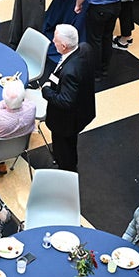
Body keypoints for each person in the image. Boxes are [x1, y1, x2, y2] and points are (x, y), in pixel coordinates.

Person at [40, 24, 95, 172]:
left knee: (63, 149)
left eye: (55, 40)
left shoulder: (70, 71)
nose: (53, 41)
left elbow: (65, 101)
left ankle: (66, 170)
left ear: (64, 46)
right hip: (80, 112)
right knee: (70, 144)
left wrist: (46, 91)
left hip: (65, 121)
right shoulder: (84, 49)